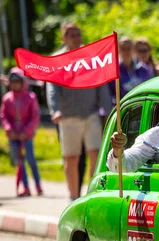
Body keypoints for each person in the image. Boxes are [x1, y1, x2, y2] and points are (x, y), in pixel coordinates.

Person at [46, 22, 112, 201]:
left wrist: (108, 111)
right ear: (64, 37)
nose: (76, 37)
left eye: (78, 34)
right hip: (68, 117)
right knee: (72, 158)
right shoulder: (58, 59)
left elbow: (100, 82)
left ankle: (91, 194)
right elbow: (52, 87)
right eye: (71, 34)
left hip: (90, 115)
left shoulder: (91, 57)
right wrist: (55, 110)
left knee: (96, 155)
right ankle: (73, 197)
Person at [0, 67, 42, 197]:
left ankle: (38, 185)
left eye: (18, 81)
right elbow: (3, 115)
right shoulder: (7, 99)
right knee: (20, 162)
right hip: (14, 136)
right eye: (13, 82)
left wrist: (27, 131)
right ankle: (25, 187)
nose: (15, 84)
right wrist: (9, 129)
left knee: (31, 160)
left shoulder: (30, 97)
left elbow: (34, 116)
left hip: (26, 136)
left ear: (23, 82)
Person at [109, 36, 150, 104]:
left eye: (129, 48)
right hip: (124, 109)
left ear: (133, 49)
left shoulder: (143, 69)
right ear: (118, 50)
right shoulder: (114, 71)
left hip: (142, 106)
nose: (126, 51)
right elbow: (112, 95)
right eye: (123, 48)